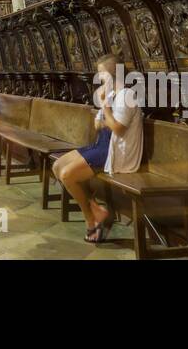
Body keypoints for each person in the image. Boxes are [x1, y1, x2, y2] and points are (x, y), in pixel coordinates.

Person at [50, 54, 143, 244]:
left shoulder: (127, 95)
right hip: (102, 144)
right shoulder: (111, 94)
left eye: (101, 73)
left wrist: (106, 109)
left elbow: (116, 127)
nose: (99, 78)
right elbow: (97, 125)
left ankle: (91, 218)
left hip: (114, 151)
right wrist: (106, 112)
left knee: (67, 175)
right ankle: (95, 208)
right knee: (57, 167)